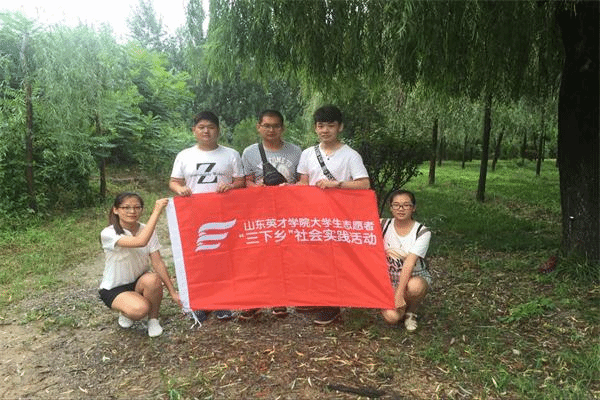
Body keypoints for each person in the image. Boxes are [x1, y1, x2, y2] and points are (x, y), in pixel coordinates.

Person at [297, 105, 370, 325]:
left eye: (330, 125)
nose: (325, 130)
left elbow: (364, 184)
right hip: (312, 215)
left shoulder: (351, 155)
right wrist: (285, 190)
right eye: (321, 126)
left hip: (340, 216)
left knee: (334, 259)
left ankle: (332, 305)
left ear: (340, 127)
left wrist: (337, 184)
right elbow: (303, 182)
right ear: (315, 128)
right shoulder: (308, 153)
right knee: (314, 258)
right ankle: (317, 298)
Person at [169, 111, 245, 321]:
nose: (206, 131)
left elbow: (240, 181)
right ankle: (199, 302)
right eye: (201, 127)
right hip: (193, 214)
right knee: (197, 258)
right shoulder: (184, 155)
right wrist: (180, 189)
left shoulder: (231, 154)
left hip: (223, 214)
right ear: (194, 130)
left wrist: (230, 186)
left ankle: (222, 302)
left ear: (218, 130)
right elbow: (174, 181)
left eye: (211, 127)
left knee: (222, 257)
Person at [239, 109, 302, 320]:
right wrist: (256, 188)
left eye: (276, 126)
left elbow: (302, 181)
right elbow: (245, 181)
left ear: (282, 128)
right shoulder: (249, 152)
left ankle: (279, 299)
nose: (271, 130)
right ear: (258, 127)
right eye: (266, 125)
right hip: (259, 212)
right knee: (256, 255)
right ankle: (254, 300)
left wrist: (289, 189)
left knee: (283, 254)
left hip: (287, 212)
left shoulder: (296, 151)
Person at [99, 192, 181, 337]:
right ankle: (126, 311)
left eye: (137, 207)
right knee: (139, 309)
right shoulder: (108, 233)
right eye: (126, 207)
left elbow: (157, 262)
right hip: (114, 287)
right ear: (115, 210)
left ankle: (153, 320)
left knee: (153, 279)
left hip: (139, 281)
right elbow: (140, 242)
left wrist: (173, 292)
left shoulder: (146, 230)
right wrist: (156, 211)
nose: (132, 211)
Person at [380, 190, 432, 332]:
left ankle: (411, 312)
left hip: (413, 276)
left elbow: (409, 263)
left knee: (416, 287)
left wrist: (398, 294)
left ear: (413, 208)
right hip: (388, 279)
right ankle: (398, 307)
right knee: (392, 317)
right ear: (391, 208)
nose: (400, 209)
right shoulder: (382, 224)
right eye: (396, 205)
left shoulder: (422, 232)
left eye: (406, 205)